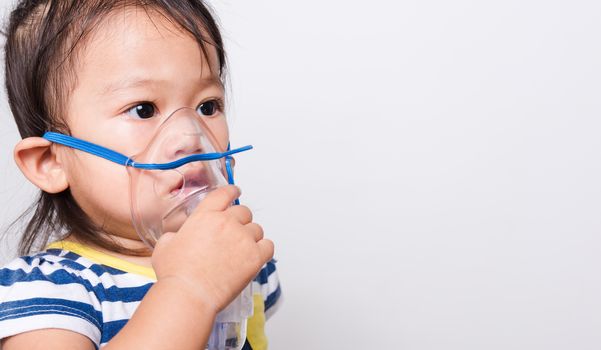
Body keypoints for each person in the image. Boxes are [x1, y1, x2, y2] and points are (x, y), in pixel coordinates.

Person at [0, 1, 281, 349]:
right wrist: (191, 289)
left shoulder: (239, 254)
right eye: (143, 110)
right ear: (50, 162)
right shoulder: (49, 293)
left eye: (207, 107)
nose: (190, 138)